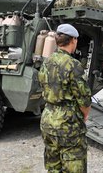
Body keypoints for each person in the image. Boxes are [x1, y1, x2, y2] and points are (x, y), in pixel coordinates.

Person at [38, 24, 92, 173]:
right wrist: (84, 115)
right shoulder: (74, 65)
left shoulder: (46, 62)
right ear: (73, 40)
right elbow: (84, 99)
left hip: (48, 120)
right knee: (74, 165)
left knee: (53, 166)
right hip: (68, 124)